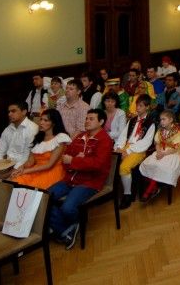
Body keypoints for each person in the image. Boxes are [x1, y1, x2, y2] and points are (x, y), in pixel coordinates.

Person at [48, 108, 113, 249]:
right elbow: (65, 158)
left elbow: (97, 165)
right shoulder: (80, 136)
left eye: (91, 119)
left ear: (101, 122)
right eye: (86, 118)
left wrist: (74, 161)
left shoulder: (105, 140)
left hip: (90, 182)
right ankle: (66, 230)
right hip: (70, 178)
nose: (87, 121)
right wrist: (74, 162)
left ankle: (60, 228)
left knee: (67, 208)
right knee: (44, 198)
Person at [11, 109, 71, 189]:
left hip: (52, 171)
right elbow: (31, 161)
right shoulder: (39, 138)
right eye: (41, 119)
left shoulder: (60, 138)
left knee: (29, 187)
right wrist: (21, 167)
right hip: (36, 170)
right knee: (15, 180)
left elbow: (49, 165)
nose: (41, 123)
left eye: (46, 120)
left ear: (53, 123)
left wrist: (25, 171)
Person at [115, 96, 156, 209]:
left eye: (141, 106)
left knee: (124, 167)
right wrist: (119, 147)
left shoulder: (150, 123)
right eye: (137, 105)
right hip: (127, 147)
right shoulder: (132, 120)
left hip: (139, 150)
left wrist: (128, 150)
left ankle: (127, 195)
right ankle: (113, 189)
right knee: (112, 163)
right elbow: (124, 135)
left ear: (147, 107)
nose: (137, 108)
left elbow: (146, 143)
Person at [140, 110, 180, 201]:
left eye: (164, 119)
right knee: (147, 164)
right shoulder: (160, 130)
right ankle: (155, 187)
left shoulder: (177, 131)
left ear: (171, 119)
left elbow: (176, 148)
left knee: (160, 165)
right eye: (160, 120)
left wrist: (163, 154)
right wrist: (159, 152)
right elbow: (157, 143)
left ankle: (149, 190)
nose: (161, 122)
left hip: (172, 153)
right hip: (161, 151)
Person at [0, 102, 39, 171]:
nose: (9, 114)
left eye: (13, 111)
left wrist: (13, 170)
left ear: (24, 112)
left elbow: (27, 156)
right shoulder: (8, 129)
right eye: (9, 112)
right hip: (6, 165)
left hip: (23, 167)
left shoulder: (32, 129)